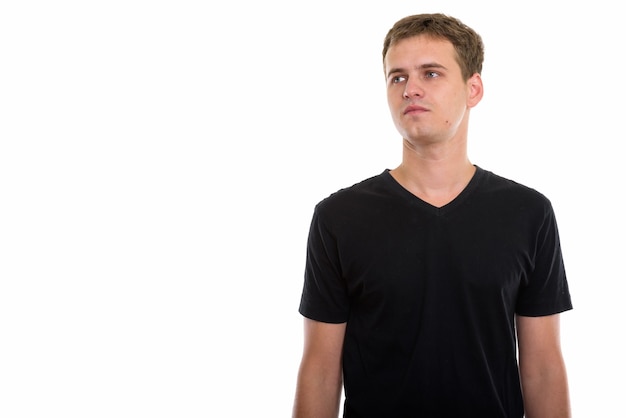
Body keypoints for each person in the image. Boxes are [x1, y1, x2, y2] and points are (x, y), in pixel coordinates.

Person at [292, 12, 573, 418]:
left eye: (432, 73)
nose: (411, 90)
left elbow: (543, 368)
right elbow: (319, 370)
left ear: (473, 88)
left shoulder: (528, 213)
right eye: (398, 77)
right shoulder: (339, 217)